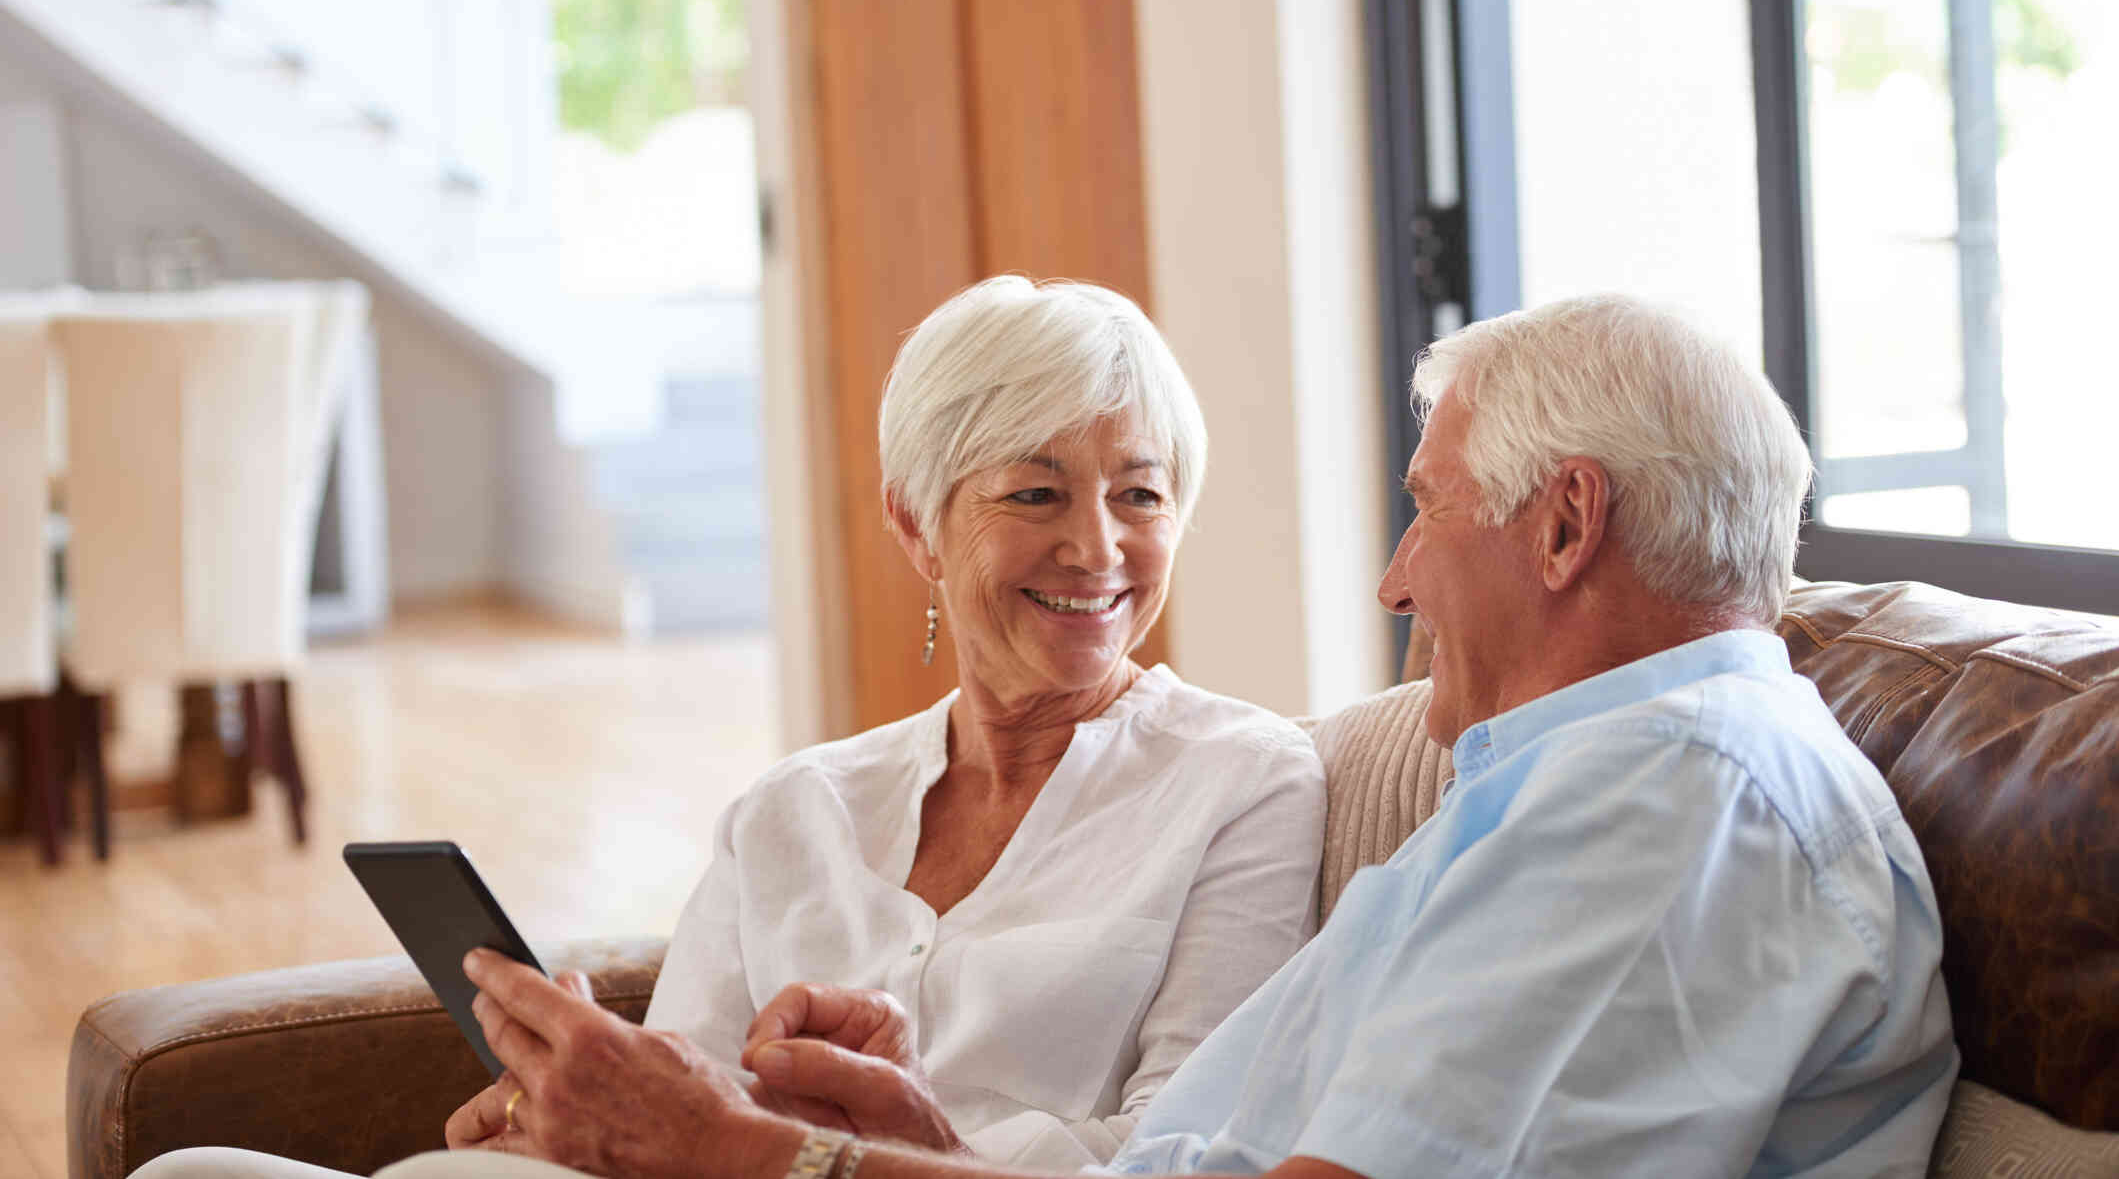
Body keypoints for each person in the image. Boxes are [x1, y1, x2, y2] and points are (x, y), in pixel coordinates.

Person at [401, 293, 1958, 1179]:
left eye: (1422, 505)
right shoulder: (1579, 790)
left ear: (1563, 524)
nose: (1392, 575)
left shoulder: (1673, 800)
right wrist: (917, 1140)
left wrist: (751, 1160)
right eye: (1031, 488)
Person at [132, 276, 1324, 1179]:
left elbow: (1186, 1146)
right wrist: (565, 1109)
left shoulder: (1243, 780)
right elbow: (670, 1110)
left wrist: (907, 1144)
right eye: (1035, 491)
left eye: (1141, 493)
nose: (1098, 547)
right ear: (917, 525)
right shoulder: (795, 810)